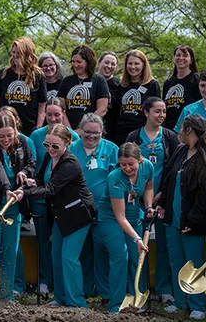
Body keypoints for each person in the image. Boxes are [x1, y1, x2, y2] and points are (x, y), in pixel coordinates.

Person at [14, 123, 96, 308]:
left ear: (67, 142)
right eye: (46, 145)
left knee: (69, 258)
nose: (50, 149)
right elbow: (41, 177)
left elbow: (50, 189)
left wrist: (24, 194)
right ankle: (60, 298)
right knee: (56, 255)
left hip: (78, 215)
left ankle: (77, 303)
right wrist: (31, 181)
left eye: (55, 146)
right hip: (61, 215)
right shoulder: (51, 157)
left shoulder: (70, 163)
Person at [157, 115, 206, 319]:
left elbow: (205, 197)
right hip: (173, 217)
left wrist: (193, 221)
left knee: (193, 262)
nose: (179, 133)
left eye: (182, 129)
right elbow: (168, 179)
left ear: (190, 130)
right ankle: (179, 301)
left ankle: (198, 305)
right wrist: (162, 204)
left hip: (192, 222)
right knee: (176, 260)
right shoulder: (181, 150)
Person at [125, 97, 179, 303]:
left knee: (164, 245)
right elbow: (126, 167)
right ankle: (140, 288)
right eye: (157, 111)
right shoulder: (134, 136)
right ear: (146, 113)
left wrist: (162, 194)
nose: (162, 115)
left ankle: (164, 288)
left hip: (162, 200)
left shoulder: (170, 137)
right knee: (139, 244)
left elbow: (174, 170)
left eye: (164, 111)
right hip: (137, 200)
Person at [0, 115, 35, 302]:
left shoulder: (22, 142)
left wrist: (23, 172)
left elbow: (31, 164)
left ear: (15, 129)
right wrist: (7, 188)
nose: (6, 139)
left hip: (13, 207)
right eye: (1, 136)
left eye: (9, 135)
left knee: (11, 251)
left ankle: (6, 295)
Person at [27, 97, 79, 294]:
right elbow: (34, 163)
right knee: (42, 240)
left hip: (64, 199)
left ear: (64, 113)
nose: (53, 118)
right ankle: (44, 280)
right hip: (41, 197)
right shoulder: (36, 136)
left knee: (62, 244)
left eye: (57, 114)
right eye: (49, 114)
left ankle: (64, 284)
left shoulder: (72, 137)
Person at [97, 143, 155, 313]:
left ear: (139, 160)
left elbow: (149, 187)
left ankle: (136, 298)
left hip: (133, 215)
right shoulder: (115, 178)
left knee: (137, 256)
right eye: (123, 164)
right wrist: (136, 238)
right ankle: (116, 305)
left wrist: (149, 206)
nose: (127, 168)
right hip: (111, 218)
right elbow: (119, 216)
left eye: (131, 164)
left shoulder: (148, 167)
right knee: (120, 255)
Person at [70, 113, 117, 302]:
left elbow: (116, 178)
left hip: (103, 210)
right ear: (80, 131)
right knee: (83, 252)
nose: (91, 136)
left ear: (102, 132)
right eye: (87, 132)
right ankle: (85, 287)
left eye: (96, 133)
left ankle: (105, 292)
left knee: (102, 250)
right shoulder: (72, 149)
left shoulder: (111, 149)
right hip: (78, 211)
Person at [0, 37, 47, 135]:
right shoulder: (4, 74)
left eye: (18, 53)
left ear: (27, 54)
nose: (15, 56)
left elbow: (42, 105)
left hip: (29, 128)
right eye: (13, 52)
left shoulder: (38, 75)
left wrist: (38, 127)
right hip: (5, 127)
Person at [113, 50, 161, 145]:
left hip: (142, 133)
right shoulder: (122, 85)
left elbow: (157, 111)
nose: (133, 67)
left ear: (143, 65)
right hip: (122, 133)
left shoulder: (152, 85)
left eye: (136, 64)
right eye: (130, 63)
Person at [57, 46, 110, 129]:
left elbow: (102, 110)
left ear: (88, 62)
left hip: (90, 130)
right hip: (68, 130)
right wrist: (69, 130)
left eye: (79, 62)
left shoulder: (99, 80)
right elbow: (60, 107)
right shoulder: (66, 80)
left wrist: (83, 129)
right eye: (73, 61)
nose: (75, 65)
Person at [162, 46, 201, 130]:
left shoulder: (197, 79)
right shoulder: (168, 82)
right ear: (174, 58)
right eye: (178, 55)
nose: (181, 58)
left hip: (189, 128)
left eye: (185, 55)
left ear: (191, 60)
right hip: (168, 129)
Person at [98, 52, 121, 143]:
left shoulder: (119, 85)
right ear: (99, 63)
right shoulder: (92, 81)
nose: (109, 66)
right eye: (106, 62)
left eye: (113, 64)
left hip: (112, 131)